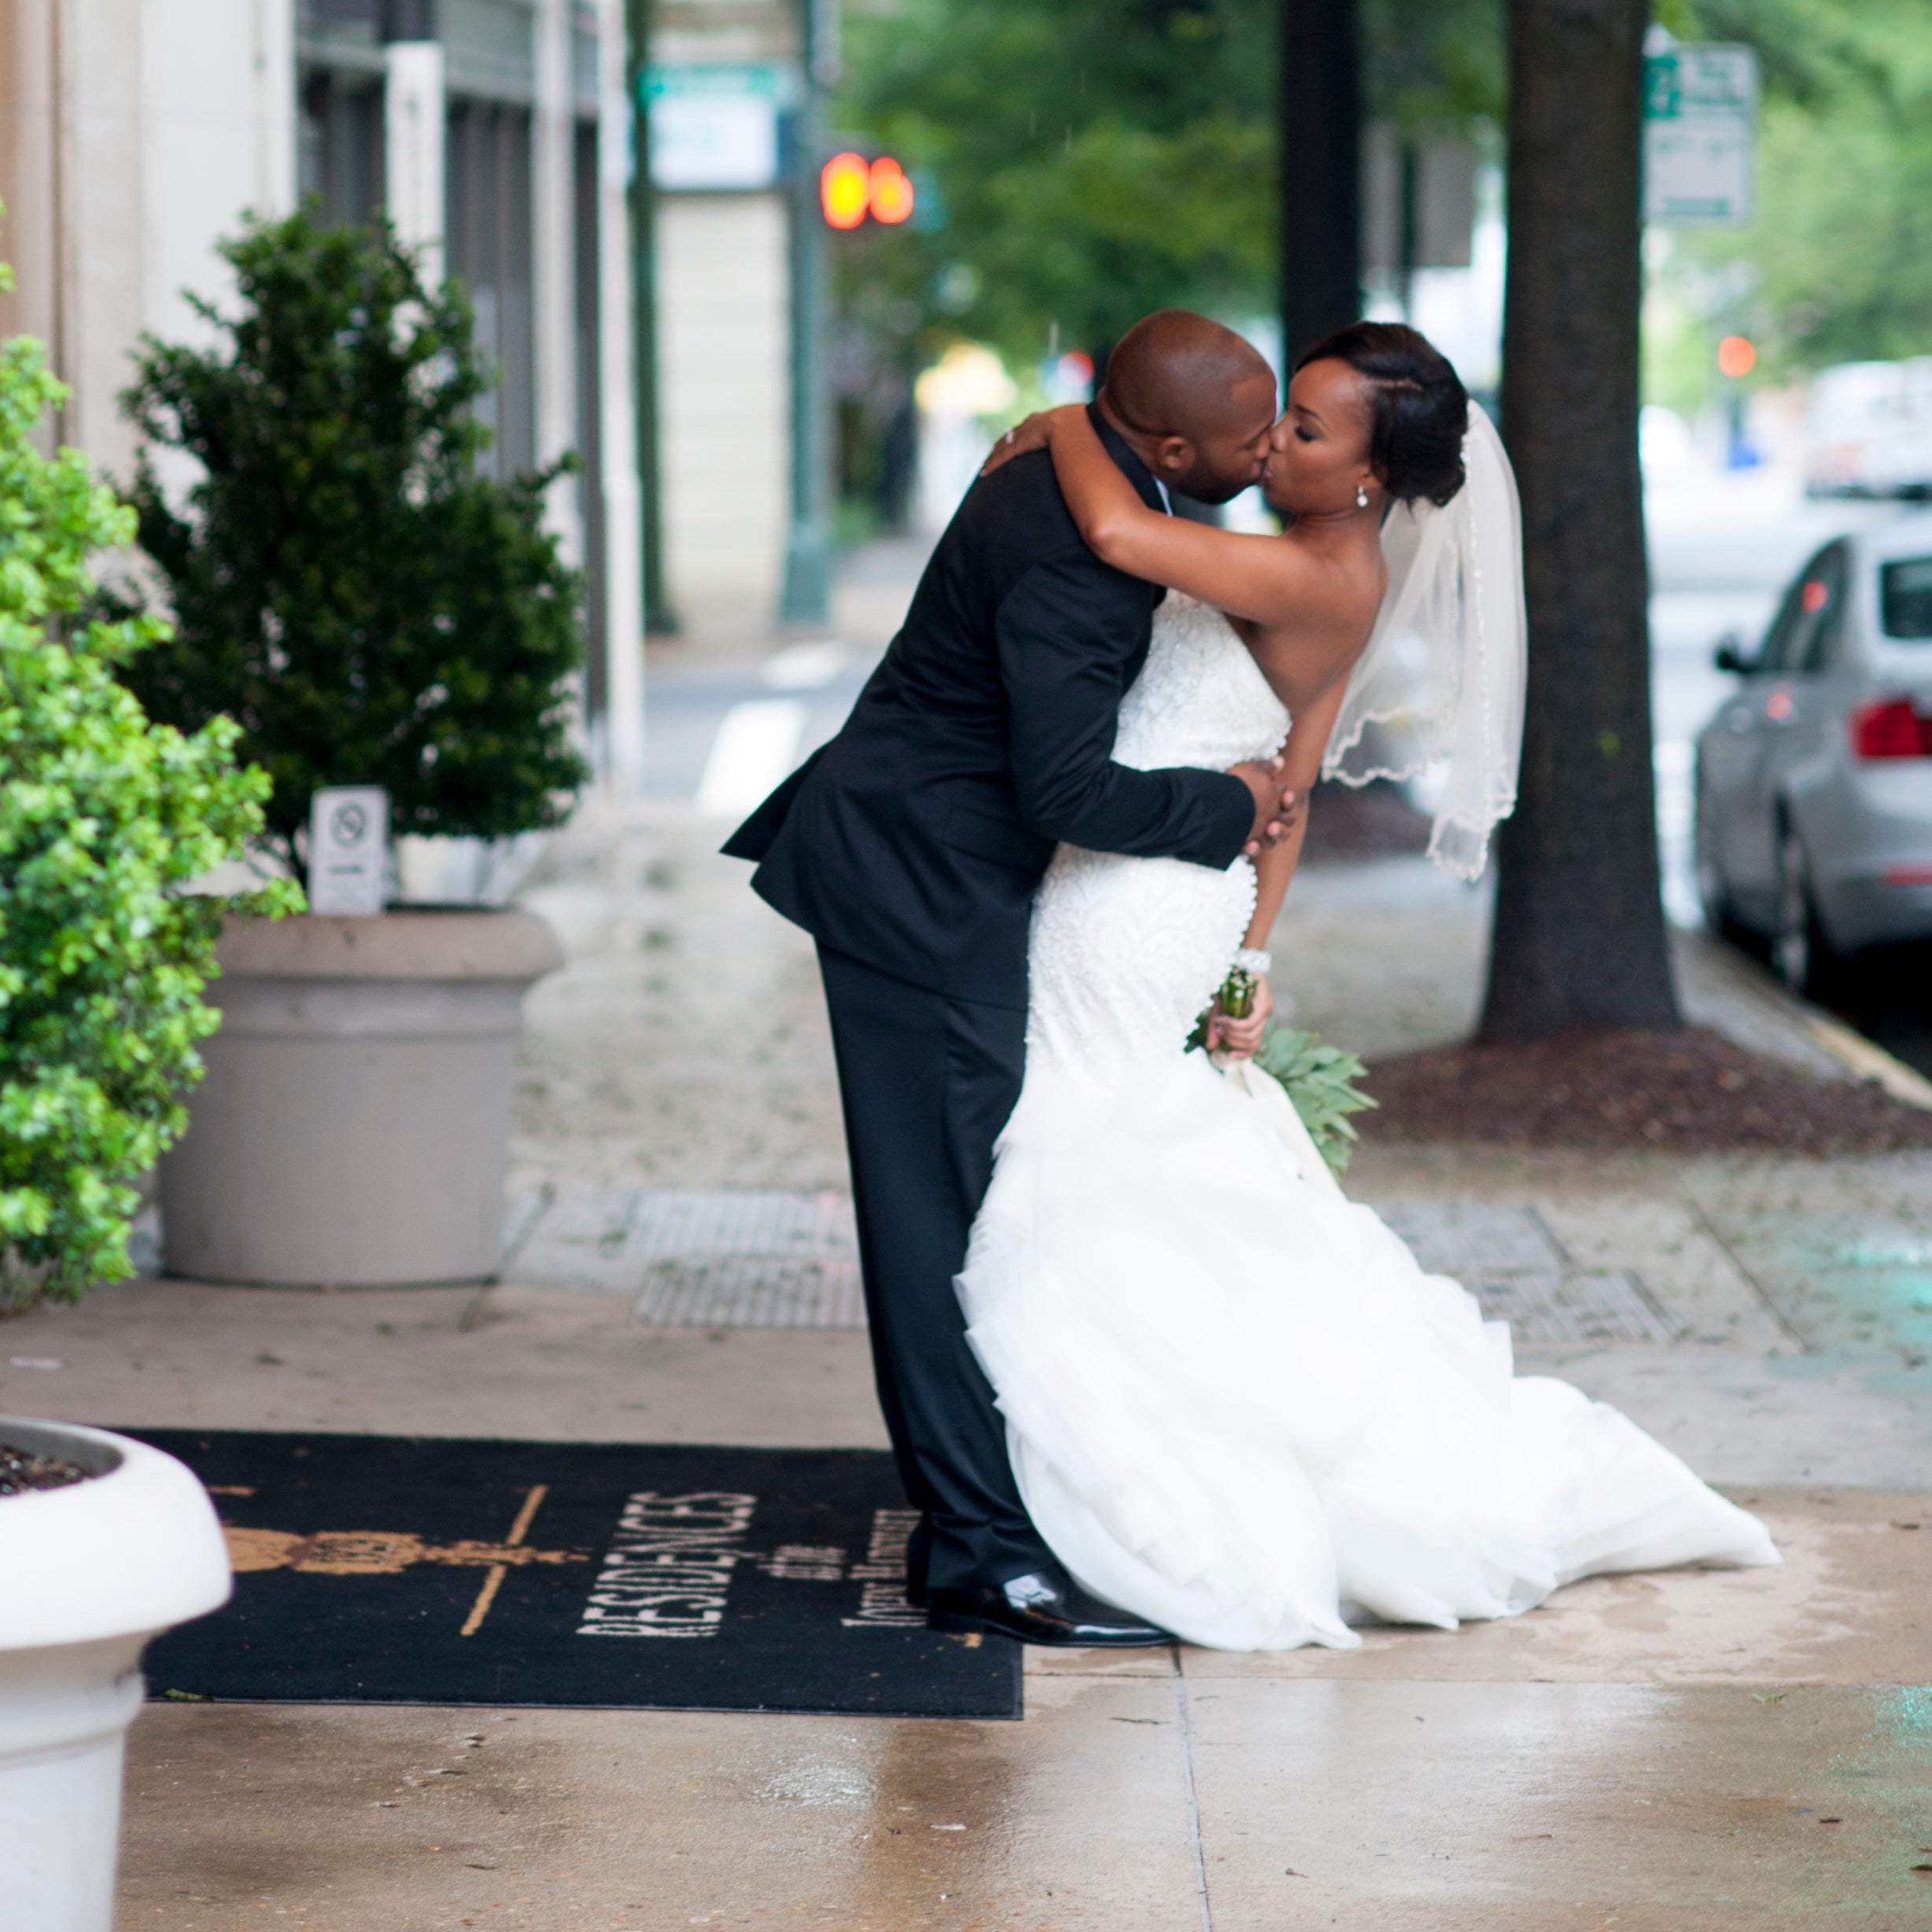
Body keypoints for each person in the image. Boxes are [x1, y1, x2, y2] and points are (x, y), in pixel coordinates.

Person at [964, 320, 1776, 1650]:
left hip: (1131, 900)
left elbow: (1117, 538)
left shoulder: (1320, 576)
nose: (1277, 436)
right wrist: (1252, 955)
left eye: (1311, 429)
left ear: (1366, 480)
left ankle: (1113, 1491)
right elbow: (1284, 794)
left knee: (1088, 1163)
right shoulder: (1315, 558)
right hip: (1167, 892)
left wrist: (1065, 422)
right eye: (1284, 411)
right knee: (1126, 1166)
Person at [723, 310, 1296, 1646]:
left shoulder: (1081, 473)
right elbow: (1068, 790)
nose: (1267, 451)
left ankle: (981, 1520)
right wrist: (1233, 802)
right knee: (937, 1223)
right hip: (917, 887)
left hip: (939, 872)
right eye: (1247, 435)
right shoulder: (1076, 561)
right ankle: (978, 1549)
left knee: (972, 1202)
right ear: (1165, 445)